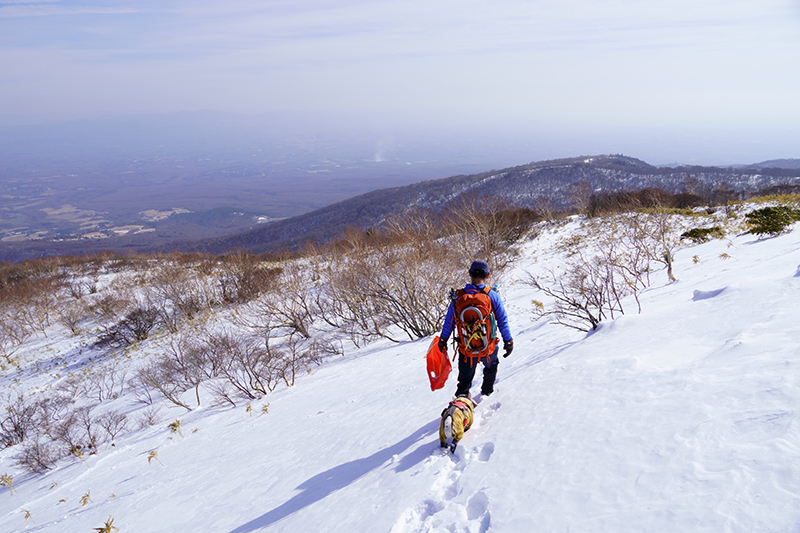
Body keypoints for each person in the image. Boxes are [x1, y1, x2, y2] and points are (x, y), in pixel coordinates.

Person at [438, 260, 513, 398]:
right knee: (491, 366)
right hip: (488, 347)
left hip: (466, 348)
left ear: (469, 273)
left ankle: (461, 401)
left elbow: (449, 321)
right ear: (488, 275)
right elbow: (502, 320)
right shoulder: (492, 295)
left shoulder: (458, 297)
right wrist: (508, 341)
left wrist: (443, 340)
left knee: (464, 380)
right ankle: (487, 393)